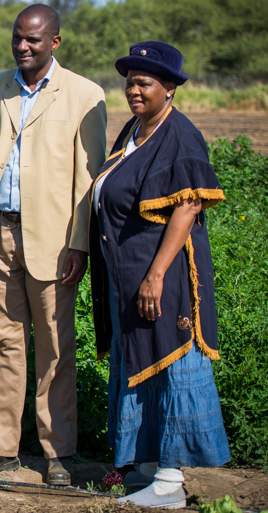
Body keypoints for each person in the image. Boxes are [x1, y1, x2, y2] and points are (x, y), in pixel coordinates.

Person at [0, 4, 107, 485]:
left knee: (56, 348)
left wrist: (80, 245)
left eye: (34, 40)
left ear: (55, 43)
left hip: (55, 239)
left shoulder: (85, 94)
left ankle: (57, 452)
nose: (23, 47)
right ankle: (0, 448)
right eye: (18, 37)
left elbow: (89, 178)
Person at [90, 42, 230, 509]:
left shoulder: (180, 135)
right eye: (130, 82)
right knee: (139, 359)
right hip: (127, 275)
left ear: (169, 88)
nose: (134, 90)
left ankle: (171, 480)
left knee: (173, 360)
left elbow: (187, 205)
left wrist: (155, 275)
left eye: (144, 82)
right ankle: (147, 466)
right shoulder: (134, 130)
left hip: (163, 277)